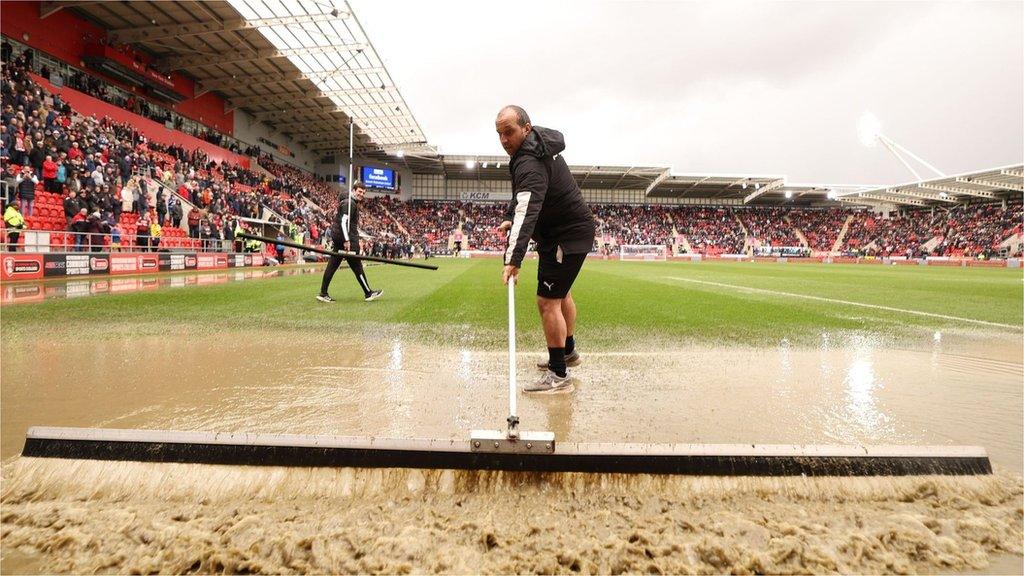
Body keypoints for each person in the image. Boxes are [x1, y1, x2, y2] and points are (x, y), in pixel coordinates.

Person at [495, 105, 596, 394]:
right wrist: (509, 214)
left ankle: (558, 375)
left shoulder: (529, 160)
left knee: (547, 302)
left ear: (526, 128)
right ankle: (567, 353)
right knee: (561, 295)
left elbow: (528, 209)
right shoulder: (535, 148)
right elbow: (523, 197)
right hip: (567, 233)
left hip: (564, 237)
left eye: (509, 132)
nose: (504, 139)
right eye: (500, 134)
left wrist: (512, 260)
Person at [317, 180, 383, 303]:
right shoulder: (350, 204)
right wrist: (346, 240)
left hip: (340, 236)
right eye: (359, 191)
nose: (361, 194)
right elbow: (343, 222)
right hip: (346, 239)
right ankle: (368, 293)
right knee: (357, 266)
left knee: (333, 265)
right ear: (353, 190)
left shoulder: (350, 202)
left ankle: (323, 293)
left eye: (363, 192)